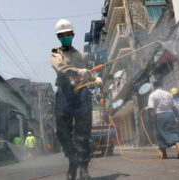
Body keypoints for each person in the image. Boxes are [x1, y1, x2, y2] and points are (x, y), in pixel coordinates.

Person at [51, 19, 102, 180]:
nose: (65, 37)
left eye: (67, 34)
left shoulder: (80, 55)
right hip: (65, 91)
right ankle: (72, 161)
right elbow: (59, 67)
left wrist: (96, 78)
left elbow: (88, 72)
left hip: (81, 93)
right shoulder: (55, 52)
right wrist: (78, 71)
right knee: (62, 131)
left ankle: (84, 168)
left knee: (83, 132)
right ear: (58, 37)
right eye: (62, 35)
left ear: (73, 34)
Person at [145, 80, 179, 159]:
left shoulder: (152, 95)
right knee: (173, 131)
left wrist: (153, 118)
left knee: (160, 134)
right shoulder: (168, 94)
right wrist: (178, 117)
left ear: (154, 87)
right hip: (170, 115)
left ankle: (164, 154)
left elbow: (151, 108)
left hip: (159, 115)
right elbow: (174, 107)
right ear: (162, 86)